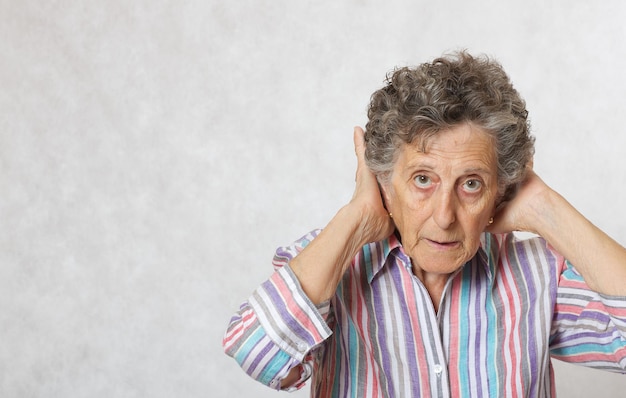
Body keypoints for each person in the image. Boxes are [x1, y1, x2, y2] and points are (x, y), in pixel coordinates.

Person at [222, 51, 626, 397]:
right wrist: (357, 217)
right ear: (383, 181)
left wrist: (544, 209)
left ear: (500, 191)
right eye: (422, 179)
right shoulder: (327, 263)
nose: (444, 215)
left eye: (471, 184)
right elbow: (257, 354)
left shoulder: (538, 273)